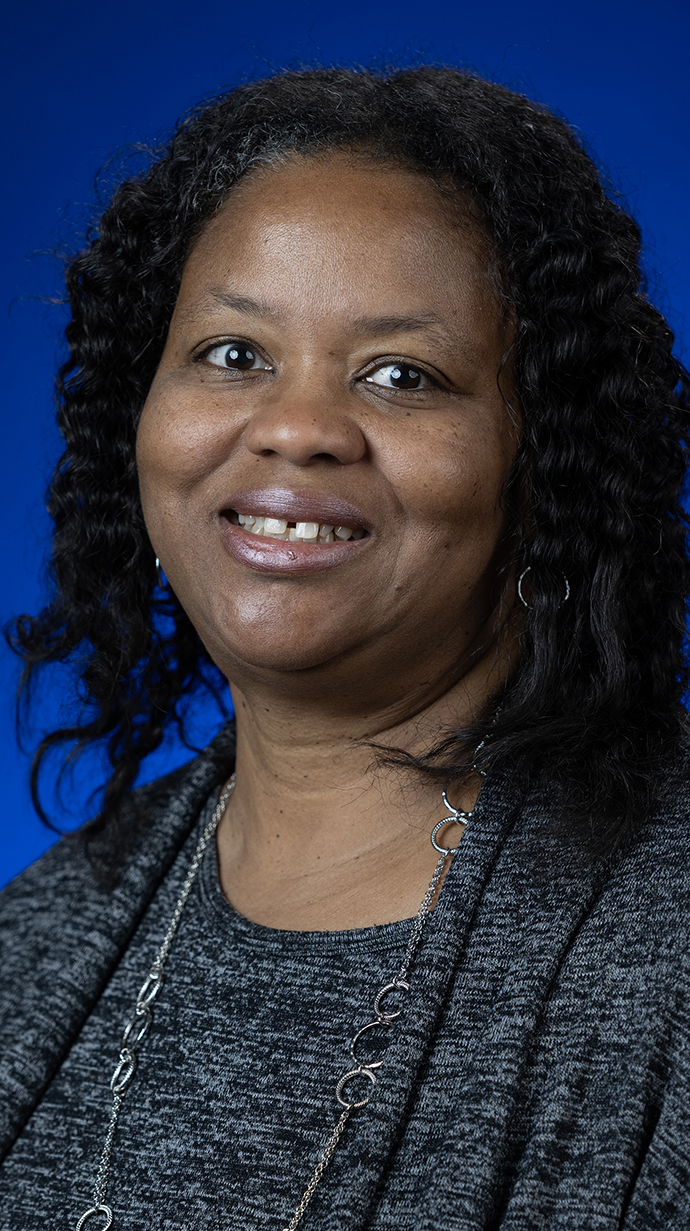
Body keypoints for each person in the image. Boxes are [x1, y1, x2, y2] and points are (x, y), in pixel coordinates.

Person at [0, 64, 689, 1230]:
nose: (296, 428)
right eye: (234, 353)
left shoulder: (666, 942)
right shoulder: (39, 937)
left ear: (542, 471)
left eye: (401, 376)